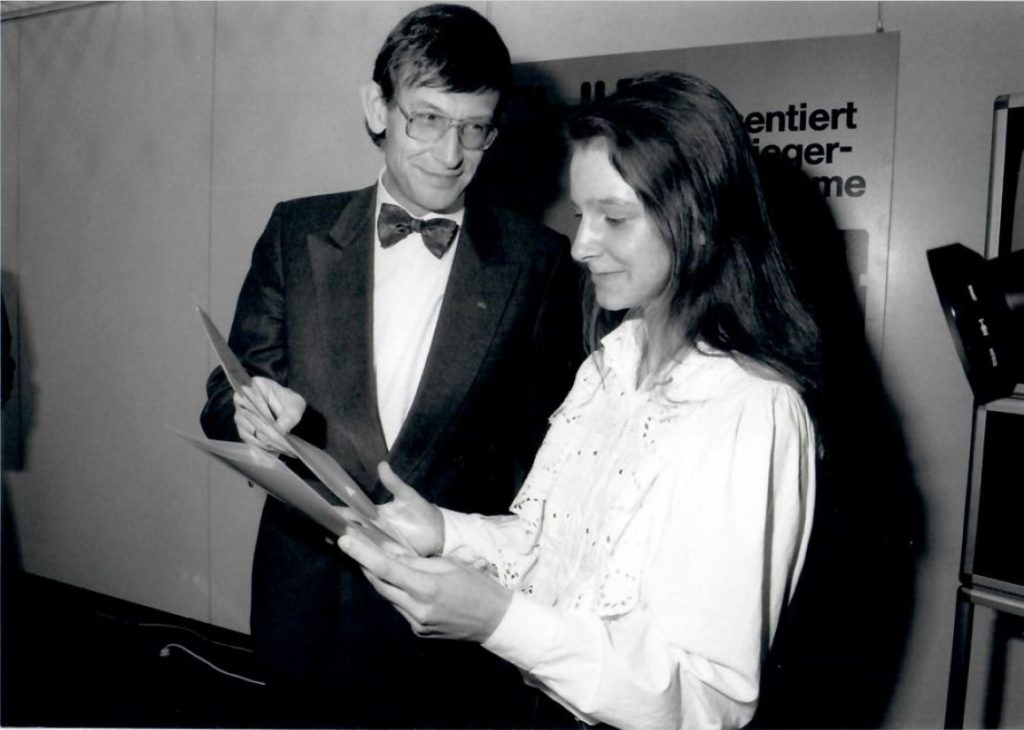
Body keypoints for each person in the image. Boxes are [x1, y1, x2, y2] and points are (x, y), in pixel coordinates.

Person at [338, 71, 823, 730]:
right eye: (580, 214)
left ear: (702, 222)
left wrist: (498, 619)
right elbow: (555, 550)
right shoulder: (609, 363)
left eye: (614, 218)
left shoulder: (749, 411)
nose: (581, 244)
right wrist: (446, 532)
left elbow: (706, 702)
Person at [199, 4, 582, 727]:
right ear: (377, 107)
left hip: (446, 626)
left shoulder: (540, 264)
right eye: (427, 120)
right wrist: (250, 411)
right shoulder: (296, 231)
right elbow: (228, 388)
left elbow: (545, 460)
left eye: (476, 128)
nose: (450, 154)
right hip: (302, 604)